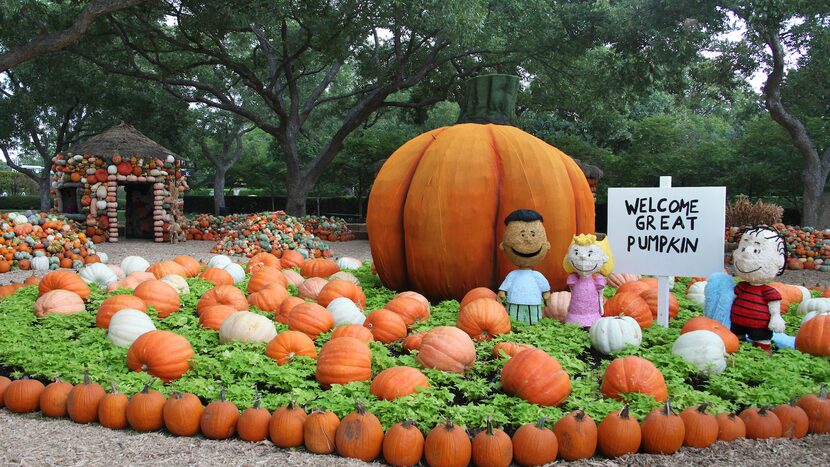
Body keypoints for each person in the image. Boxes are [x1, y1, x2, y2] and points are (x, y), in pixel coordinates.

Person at [729, 225, 787, 352]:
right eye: (743, 248)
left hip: (759, 324)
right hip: (737, 322)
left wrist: (776, 316)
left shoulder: (767, 291)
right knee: (735, 339)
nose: (746, 254)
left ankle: (762, 351)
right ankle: (737, 345)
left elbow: (774, 305)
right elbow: (731, 299)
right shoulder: (741, 287)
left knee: (761, 339)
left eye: (756, 251)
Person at [497, 209, 551, 324]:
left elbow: (545, 288)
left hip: (534, 303)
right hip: (514, 302)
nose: (528, 239)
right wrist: (502, 293)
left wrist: (546, 294)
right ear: (503, 246)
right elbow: (503, 289)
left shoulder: (537, 276)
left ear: (547, 245)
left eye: (533, 234)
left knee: (534, 320)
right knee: (514, 320)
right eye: (522, 235)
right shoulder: (512, 275)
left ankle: (532, 328)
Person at [562, 234, 614, 327]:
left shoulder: (595, 280)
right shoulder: (575, 279)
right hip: (574, 314)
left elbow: (600, 290)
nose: (583, 258)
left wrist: (600, 283)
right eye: (576, 253)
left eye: (590, 254)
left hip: (593, 314)